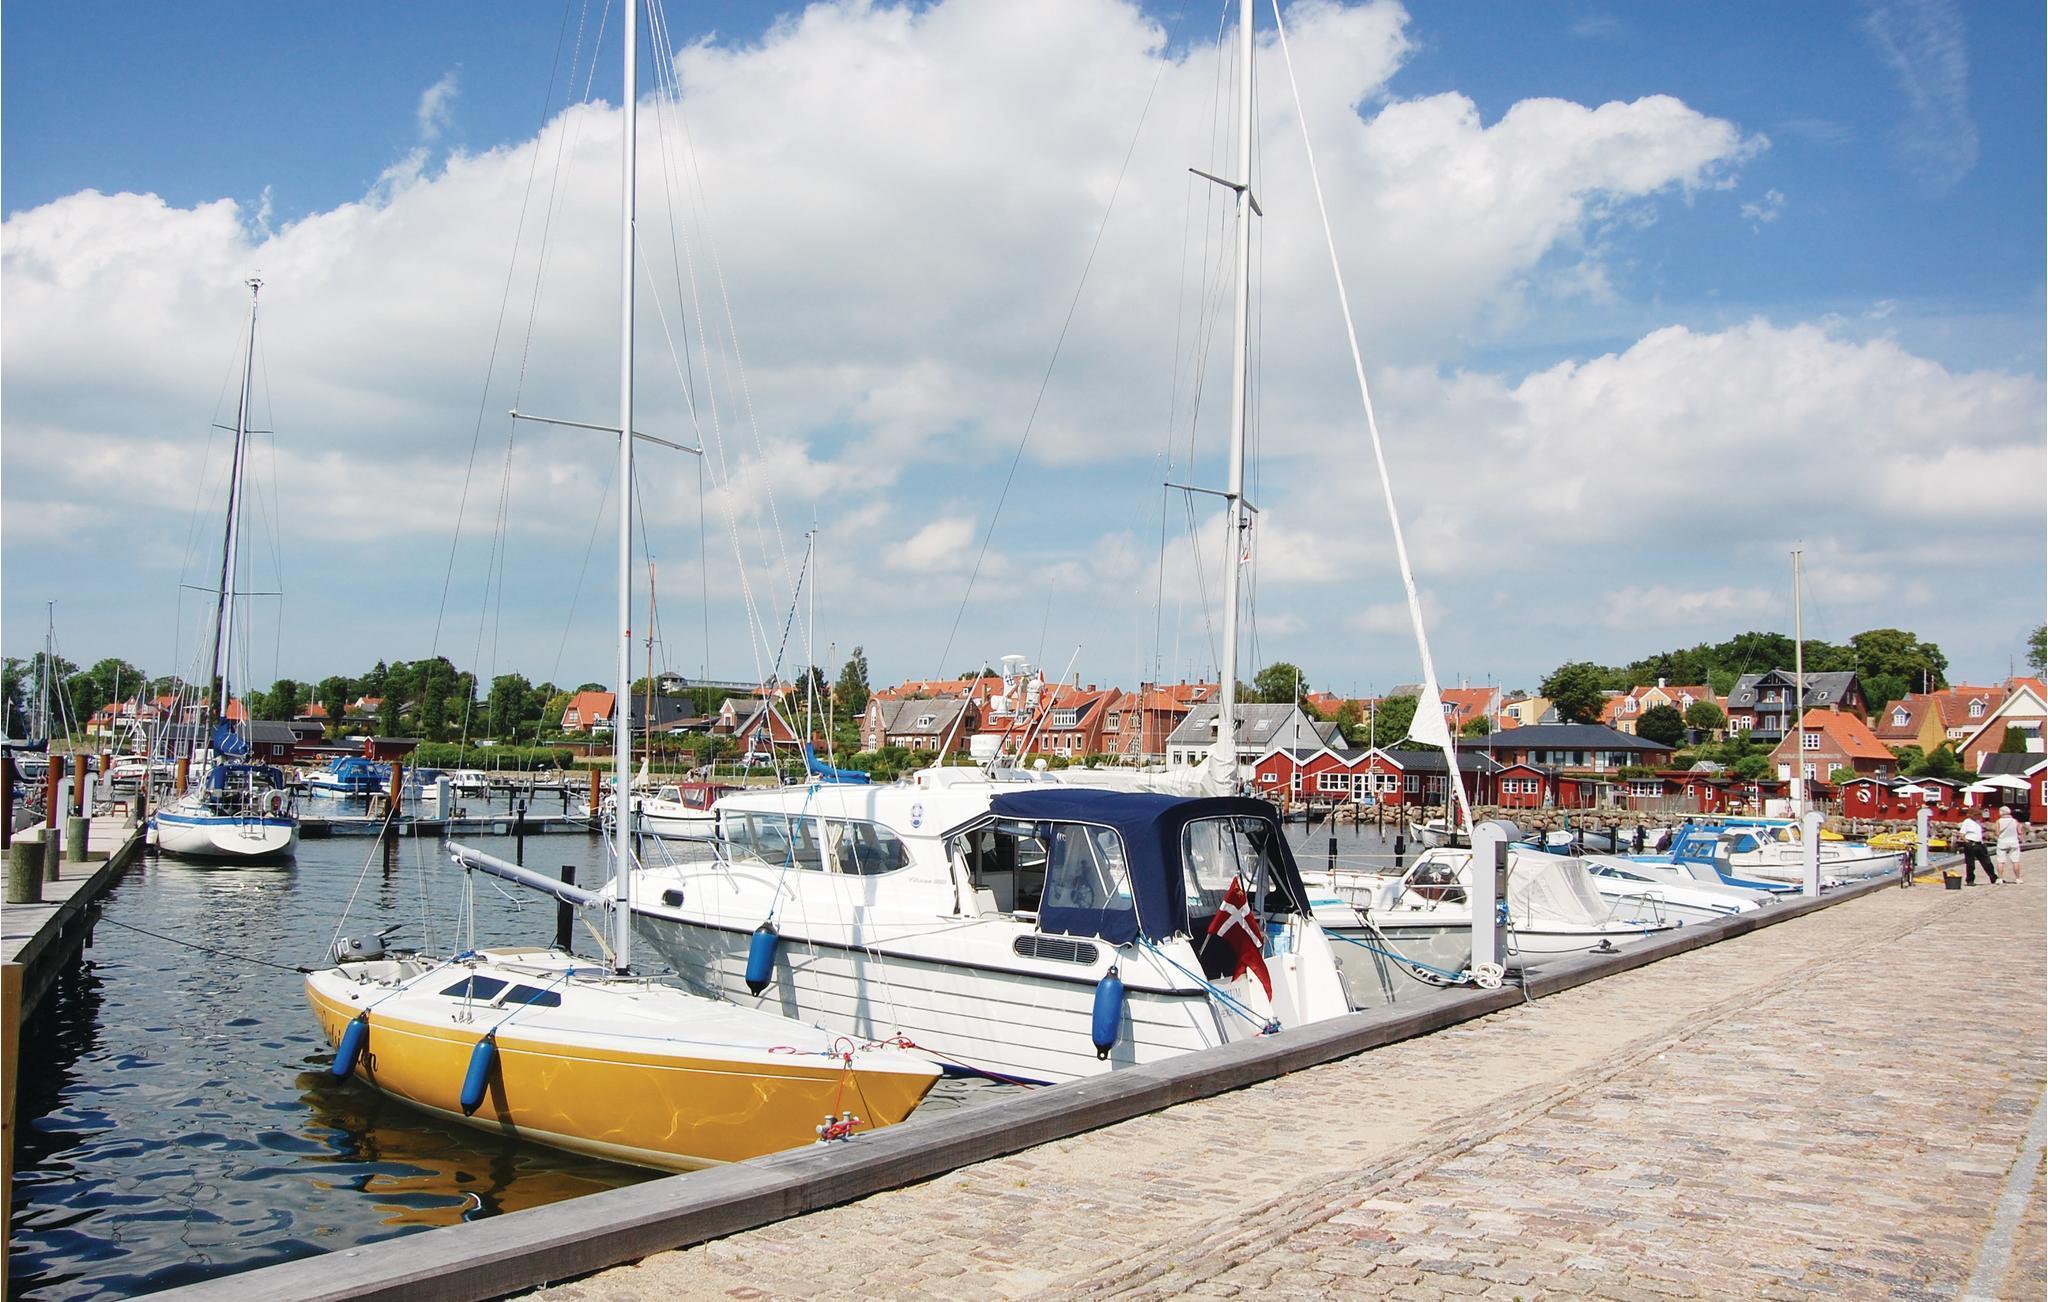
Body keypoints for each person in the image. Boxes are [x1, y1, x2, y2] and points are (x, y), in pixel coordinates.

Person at [1958, 812, 1998, 885]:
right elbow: (1961, 834)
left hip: (1980, 843)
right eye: (1977, 815)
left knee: (1987, 862)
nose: (1979, 817)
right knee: (1970, 863)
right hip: (1971, 843)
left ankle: (1993, 878)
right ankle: (1970, 880)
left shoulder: (1978, 822)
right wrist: (1967, 842)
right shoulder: (1967, 821)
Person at [1995, 806, 2023, 884]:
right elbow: (2019, 832)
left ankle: (2000, 878)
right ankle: (2018, 878)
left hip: (2002, 842)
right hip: (2013, 842)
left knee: (2000, 861)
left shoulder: (1998, 821)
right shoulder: (2015, 821)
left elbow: (1997, 833)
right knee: (2015, 861)